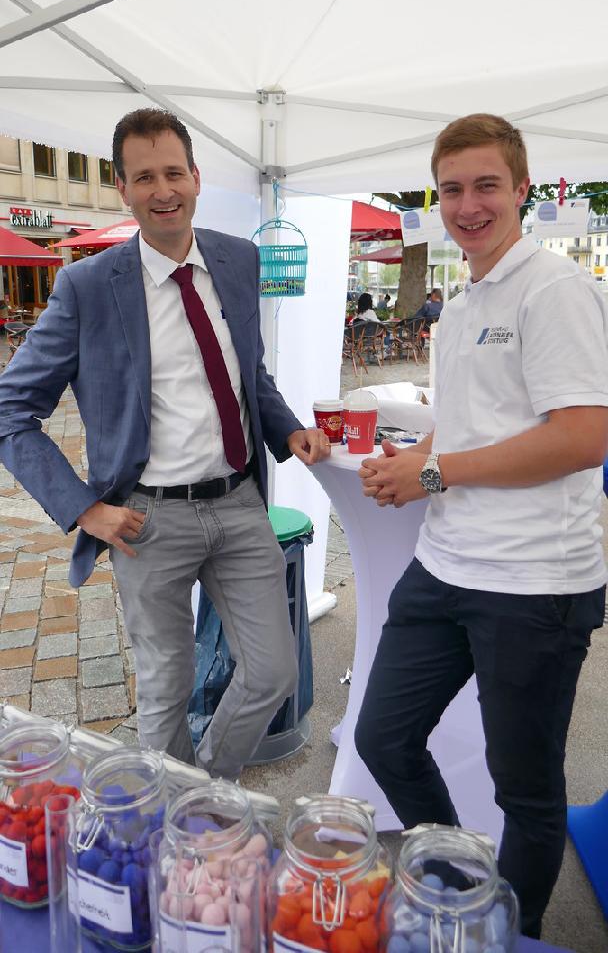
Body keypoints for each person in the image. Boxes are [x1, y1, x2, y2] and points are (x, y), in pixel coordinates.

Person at [0, 107, 331, 778]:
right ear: (123, 188)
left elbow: (247, 372)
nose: (163, 190)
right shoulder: (87, 286)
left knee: (273, 671)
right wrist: (83, 509)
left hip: (238, 504)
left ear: (196, 177)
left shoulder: (238, 259)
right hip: (147, 519)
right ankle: (177, 823)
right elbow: (11, 409)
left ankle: (198, 793)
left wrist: (288, 428)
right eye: (145, 177)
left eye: (174, 172)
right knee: (165, 691)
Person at [354, 113, 608, 939]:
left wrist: (433, 473)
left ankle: (511, 936)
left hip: (534, 584)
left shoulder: (555, 289)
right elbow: (467, 423)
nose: (468, 205)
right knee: (384, 738)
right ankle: (461, 890)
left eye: (486, 185)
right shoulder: (462, 305)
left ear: (522, 189)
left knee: (524, 792)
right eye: (452, 189)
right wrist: (415, 458)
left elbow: (583, 437)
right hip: (445, 566)